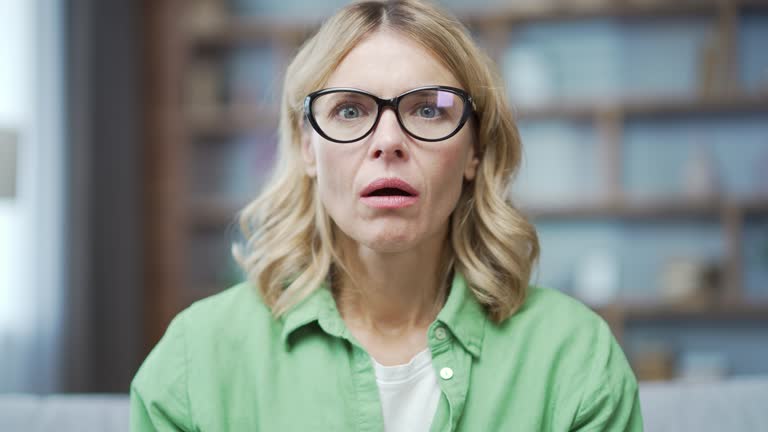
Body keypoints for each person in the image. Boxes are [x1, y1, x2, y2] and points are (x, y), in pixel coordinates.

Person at [130, 0, 643, 430]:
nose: (389, 142)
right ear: (308, 148)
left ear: (474, 152)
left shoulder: (575, 358)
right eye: (350, 110)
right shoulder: (195, 359)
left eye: (428, 109)